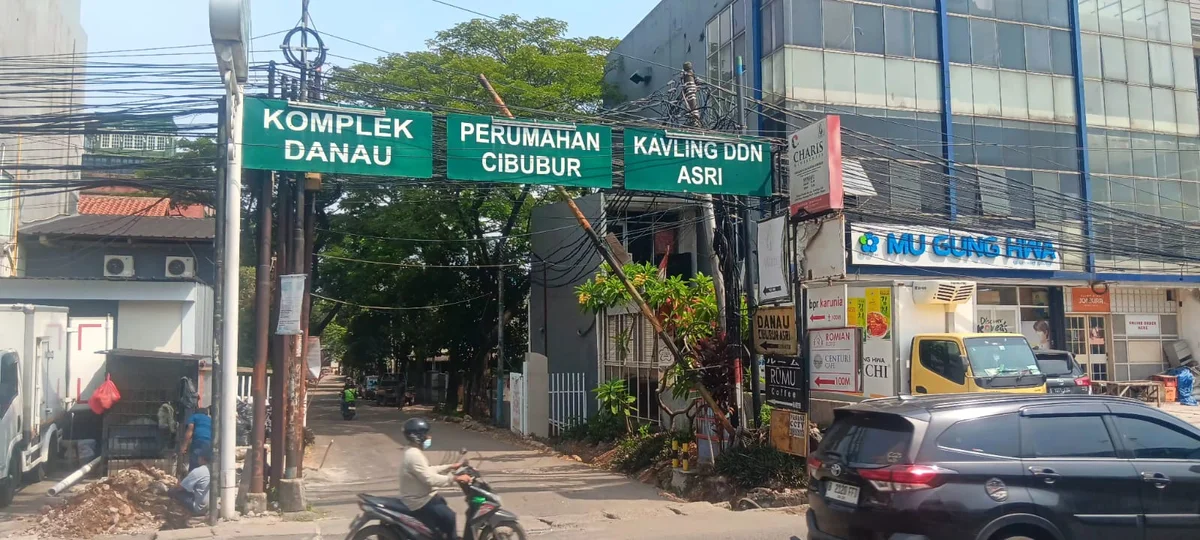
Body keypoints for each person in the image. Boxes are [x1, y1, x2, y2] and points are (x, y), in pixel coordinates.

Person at [399, 418, 471, 539]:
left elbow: (428, 470)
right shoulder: (414, 455)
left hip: (424, 496)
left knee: (442, 504)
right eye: (426, 434)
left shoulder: (413, 451)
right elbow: (429, 479)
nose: (429, 437)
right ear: (417, 436)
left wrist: (450, 466)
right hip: (419, 501)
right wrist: (455, 478)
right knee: (449, 517)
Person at [170, 451, 210, 515]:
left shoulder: (198, 471)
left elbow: (180, 487)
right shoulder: (212, 470)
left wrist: (179, 479)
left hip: (199, 508)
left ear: (201, 458)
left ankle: (180, 511)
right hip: (210, 507)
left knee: (174, 491)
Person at [182, 407, 212, 471]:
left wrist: (184, 446)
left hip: (198, 441)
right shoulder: (210, 419)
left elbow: (190, 431)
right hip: (209, 443)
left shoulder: (194, 417)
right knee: (204, 463)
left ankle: (193, 475)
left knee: (194, 464)